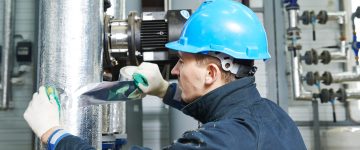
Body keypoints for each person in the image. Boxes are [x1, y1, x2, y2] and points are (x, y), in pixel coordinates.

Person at [24, 0, 307, 149]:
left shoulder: (220, 142)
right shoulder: (272, 116)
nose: (174, 70)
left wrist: (53, 133)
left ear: (211, 72)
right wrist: (163, 90)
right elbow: (221, 108)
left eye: (182, 61)